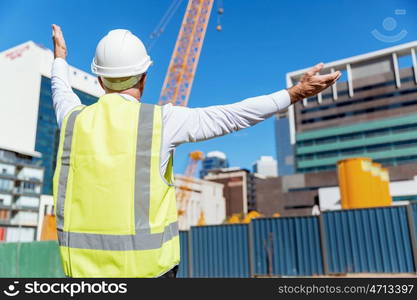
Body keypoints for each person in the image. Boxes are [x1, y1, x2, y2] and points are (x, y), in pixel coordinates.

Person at [51, 24, 340, 278]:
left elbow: (60, 91)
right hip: (148, 274)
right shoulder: (160, 121)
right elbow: (232, 116)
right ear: (143, 77)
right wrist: (293, 93)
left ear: (100, 80)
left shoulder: (72, 121)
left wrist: (60, 59)